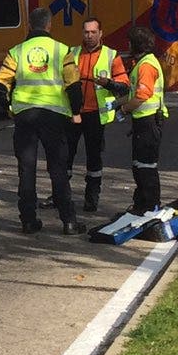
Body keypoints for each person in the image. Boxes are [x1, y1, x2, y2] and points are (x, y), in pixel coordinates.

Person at [0, 19, 82, 234]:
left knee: (26, 169)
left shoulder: (17, 51)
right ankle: (69, 221)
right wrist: (76, 112)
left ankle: (28, 220)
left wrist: (9, 107)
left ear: (29, 26)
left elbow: (0, 82)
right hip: (54, 115)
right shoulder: (62, 50)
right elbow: (73, 85)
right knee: (58, 169)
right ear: (49, 25)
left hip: (25, 115)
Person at [65, 18, 129, 215]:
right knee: (65, 155)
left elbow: (125, 86)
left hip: (95, 114)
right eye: (86, 32)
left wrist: (108, 83)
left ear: (101, 33)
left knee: (94, 158)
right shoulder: (73, 53)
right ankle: (60, 195)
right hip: (73, 112)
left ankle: (92, 197)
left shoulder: (111, 55)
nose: (89, 36)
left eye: (93, 32)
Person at [125, 25, 171, 214]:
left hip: (148, 122)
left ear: (136, 44)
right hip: (143, 122)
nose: (128, 46)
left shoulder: (146, 65)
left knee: (146, 166)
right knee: (139, 165)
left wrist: (124, 109)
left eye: (130, 43)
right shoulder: (143, 62)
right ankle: (141, 204)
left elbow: (142, 95)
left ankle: (150, 206)